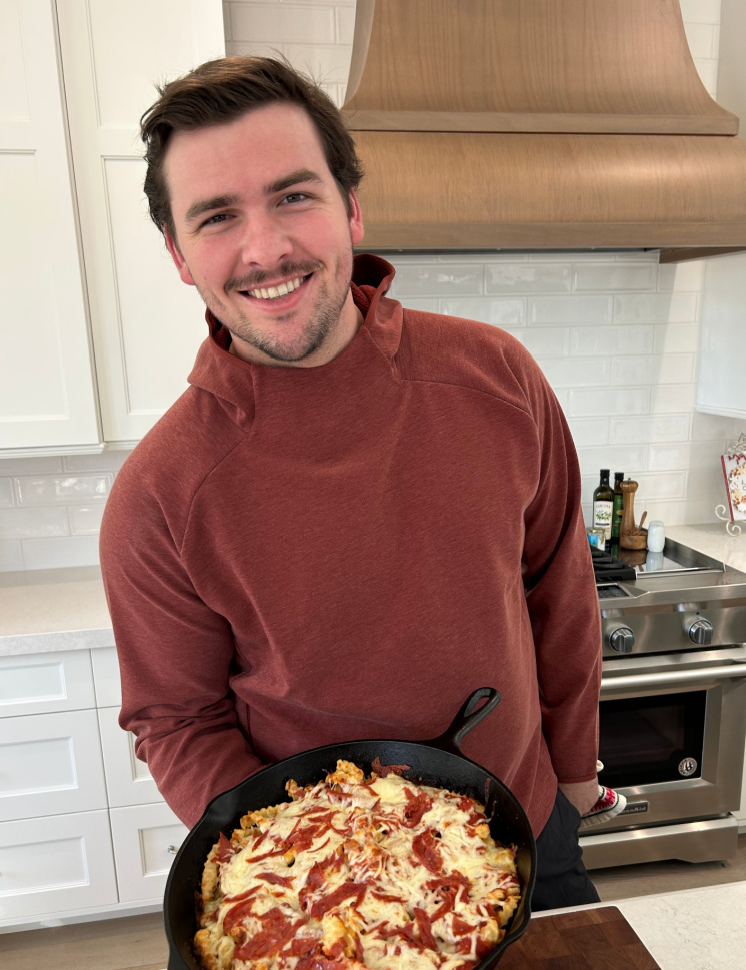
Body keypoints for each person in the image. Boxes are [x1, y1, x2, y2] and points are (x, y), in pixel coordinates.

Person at [99, 56, 603, 911]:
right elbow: (177, 721)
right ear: (181, 256)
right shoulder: (159, 495)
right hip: (325, 889)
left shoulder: (497, 377)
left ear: (352, 210)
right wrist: (294, 863)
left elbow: (559, 584)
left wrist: (579, 767)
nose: (266, 249)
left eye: (294, 196)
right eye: (218, 217)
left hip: (526, 821)